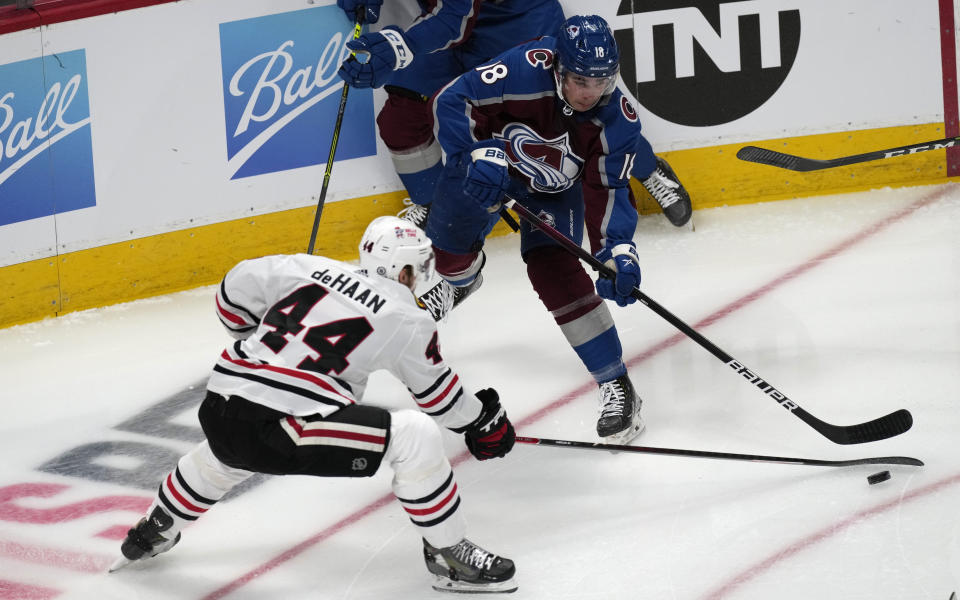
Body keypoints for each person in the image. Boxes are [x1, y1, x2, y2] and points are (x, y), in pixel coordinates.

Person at [109, 216, 519, 594]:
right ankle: (449, 555)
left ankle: (156, 527)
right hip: (282, 427)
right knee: (415, 435)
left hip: (218, 403)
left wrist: (260, 334)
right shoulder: (407, 318)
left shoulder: (303, 267)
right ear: (406, 271)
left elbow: (231, 292)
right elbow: (440, 399)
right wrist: (483, 421)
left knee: (228, 452)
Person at [420, 14, 692, 445]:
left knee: (554, 271)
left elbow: (607, 188)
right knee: (449, 250)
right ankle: (461, 282)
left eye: (602, 82)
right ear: (558, 69)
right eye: (581, 81)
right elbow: (452, 100)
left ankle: (616, 383)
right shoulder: (522, 68)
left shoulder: (616, 118)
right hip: (492, 168)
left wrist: (616, 250)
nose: (591, 93)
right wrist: (472, 153)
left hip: (554, 190)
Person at [335, 0, 565, 228]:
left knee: (504, 126)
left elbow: (454, 20)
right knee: (401, 120)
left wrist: (400, 47)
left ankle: (491, 212)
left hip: (516, 22)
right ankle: (434, 208)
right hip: (446, 25)